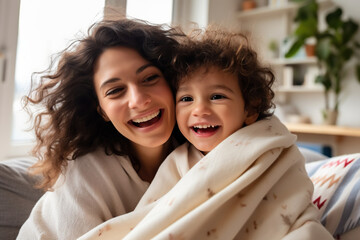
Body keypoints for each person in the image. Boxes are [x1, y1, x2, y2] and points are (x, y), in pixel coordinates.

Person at [79, 26, 334, 240]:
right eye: (187, 98)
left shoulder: (272, 144)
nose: (199, 109)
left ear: (251, 108)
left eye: (217, 96)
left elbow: (297, 192)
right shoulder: (179, 160)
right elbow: (151, 219)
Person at [17, 17, 185, 239]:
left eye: (150, 78)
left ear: (172, 81)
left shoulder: (194, 153)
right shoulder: (82, 172)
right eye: (115, 91)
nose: (138, 100)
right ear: (102, 111)